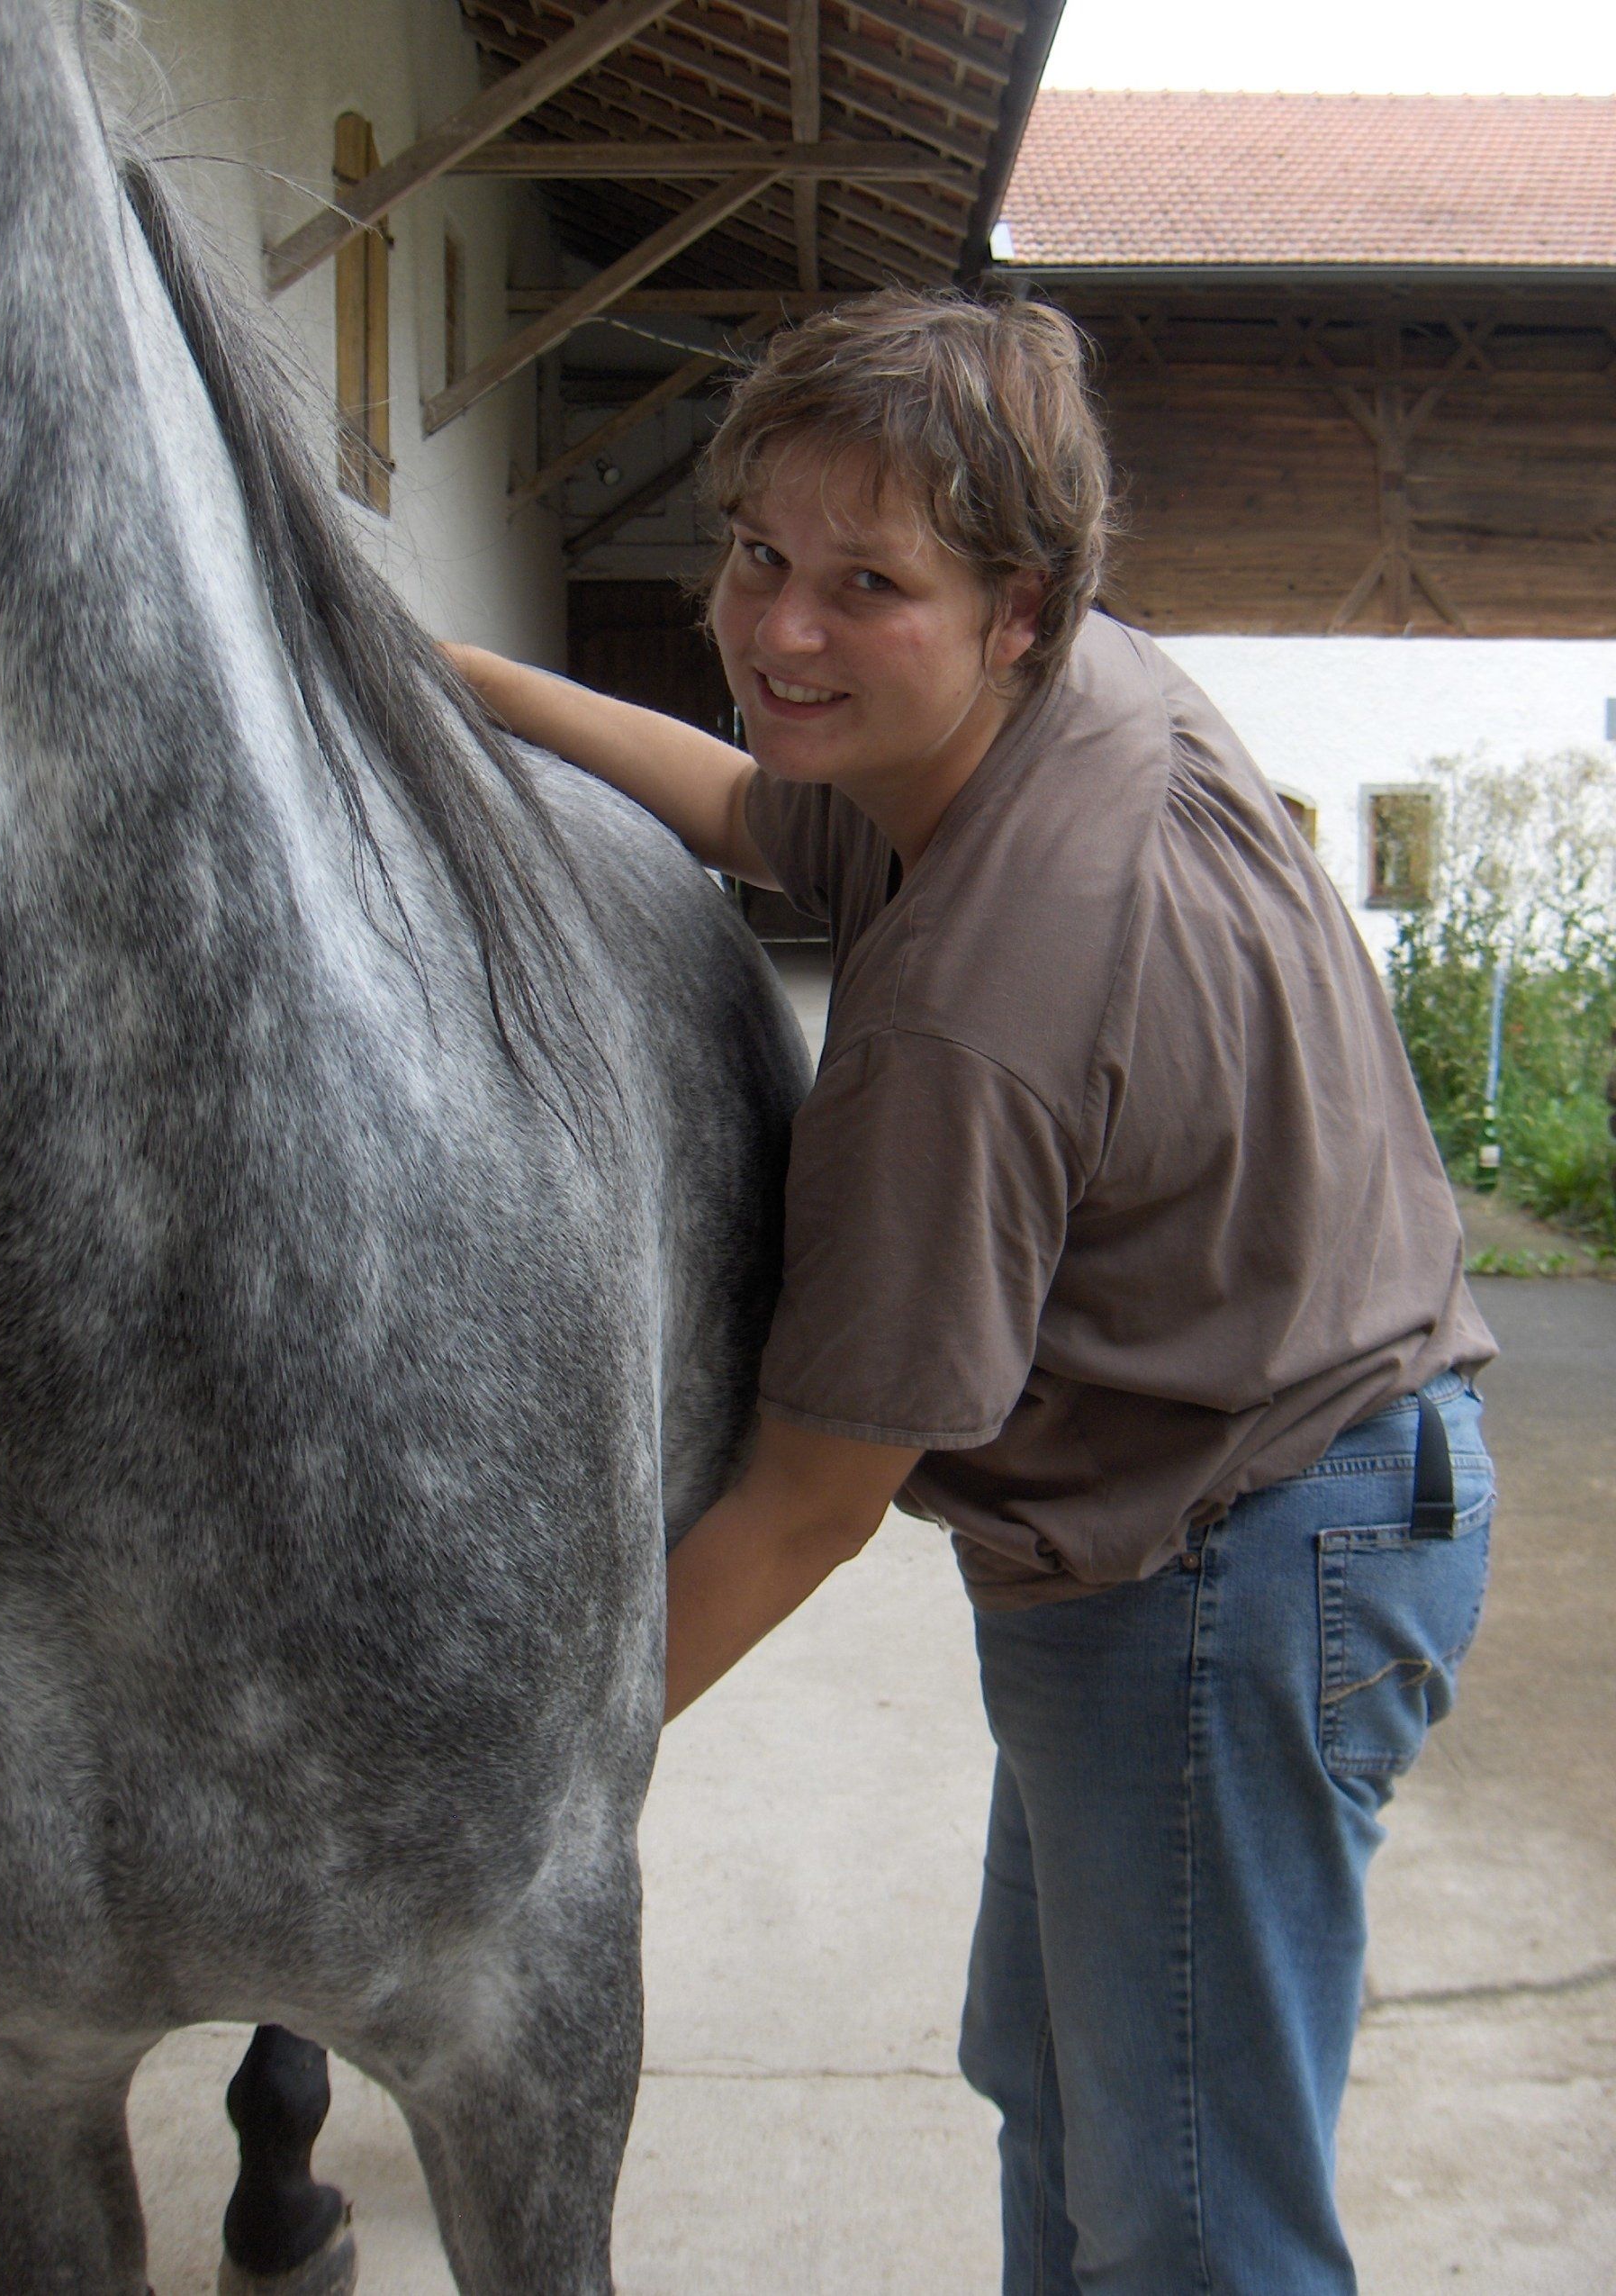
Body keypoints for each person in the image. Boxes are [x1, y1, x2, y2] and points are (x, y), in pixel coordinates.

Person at [445, 289, 1496, 2296]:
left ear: (1011, 607)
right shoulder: (1088, 690)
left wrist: (505, 1800)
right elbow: (749, 809)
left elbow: (805, 1507)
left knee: (1194, 2222)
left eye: (868, 586)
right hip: (1304, 1473)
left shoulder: (966, 1028)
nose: (780, 630)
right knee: (1069, 2097)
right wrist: (454, 673)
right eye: (757, 554)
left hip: (1228, 1562)